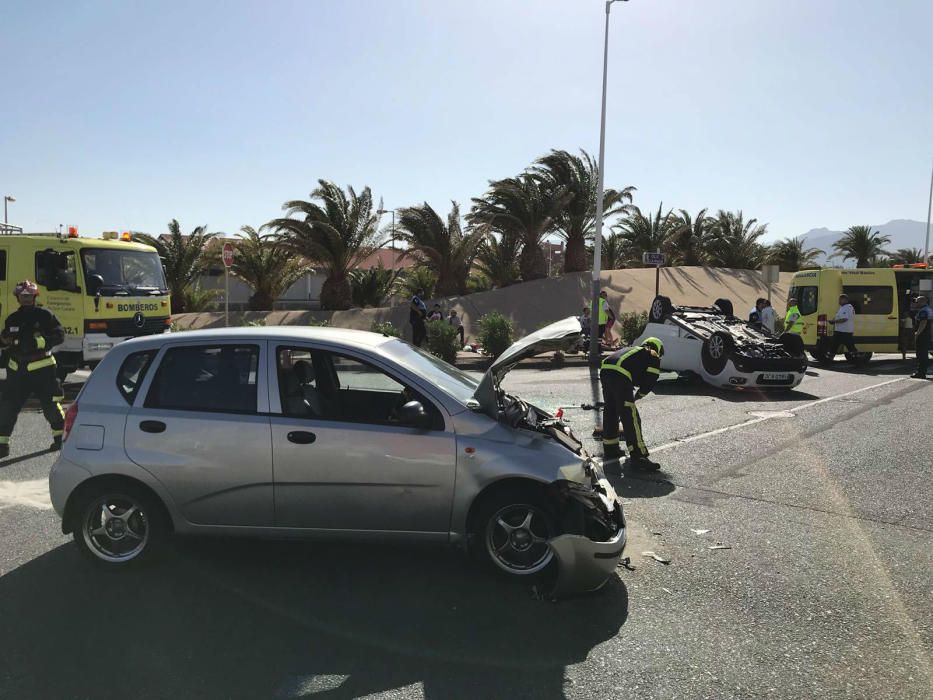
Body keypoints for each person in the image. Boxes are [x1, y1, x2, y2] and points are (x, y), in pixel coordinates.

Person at [0, 280, 66, 458]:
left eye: (29, 296)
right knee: (7, 407)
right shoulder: (12, 318)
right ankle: (2, 445)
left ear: (35, 297)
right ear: (18, 298)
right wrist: (4, 340)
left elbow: (59, 335)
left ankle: (61, 439)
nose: (26, 299)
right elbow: (6, 339)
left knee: (51, 405)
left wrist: (37, 343)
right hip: (18, 371)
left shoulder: (45, 315)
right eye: (23, 296)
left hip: (43, 370)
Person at [599, 337, 664, 473]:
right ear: (657, 348)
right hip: (620, 374)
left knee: (611, 410)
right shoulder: (652, 354)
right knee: (630, 415)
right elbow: (651, 379)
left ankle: (610, 449)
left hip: (606, 369)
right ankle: (638, 457)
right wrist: (639, 395)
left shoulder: (633, 350)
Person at [828, 293, 858, 362]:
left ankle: (857, 361)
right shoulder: (843, 307)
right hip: (839, 331)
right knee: (833, 346)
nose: (839, 301)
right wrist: (833, 320)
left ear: (845, 300)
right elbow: (839, 317)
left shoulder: (848, 307)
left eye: (840, 300)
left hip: (845, 332)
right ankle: (829, 360)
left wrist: (834, 321)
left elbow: (844, 319)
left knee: (851, 348)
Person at [911, 295, 931, 379]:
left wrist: (917, 334)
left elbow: (923, 323)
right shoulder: (929, 309)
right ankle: (922, 371)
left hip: (922, 335)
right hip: (926, 334)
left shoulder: (923, 311)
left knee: (921, 354)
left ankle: (921, 373)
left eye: (917, 301)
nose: (916, 303)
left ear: (922, 302)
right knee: (924, 354)